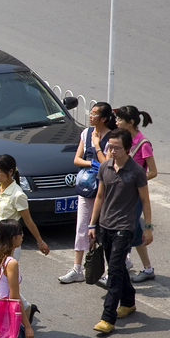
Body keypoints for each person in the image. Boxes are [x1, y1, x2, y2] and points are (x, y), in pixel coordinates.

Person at [88, 128, 153, 334]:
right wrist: (92, 224)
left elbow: (145, 200)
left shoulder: (136, 172)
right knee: (116, 267)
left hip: (125, 228)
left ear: (128, 148)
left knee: (114, 272)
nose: (112, 151)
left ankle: (108, 317)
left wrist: (148, 227)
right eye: (110, 146)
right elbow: (99, 197)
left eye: (116, 147)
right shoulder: (105, 167)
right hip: (105, 226)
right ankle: (128, 301)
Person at [60, 102, 114, 284]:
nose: (90, 116)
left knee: (104, 228)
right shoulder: (86, 133)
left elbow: (108, 163)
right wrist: (91, 164)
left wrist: (98, 146)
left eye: (94, 114)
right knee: (82, 226)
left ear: (104, 118)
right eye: (90, 113)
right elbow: (77, 159)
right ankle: (77, 268)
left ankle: (108, 270)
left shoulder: (112, 138)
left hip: (105, 187)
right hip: (87, 187)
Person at [115, 105, 158, 282]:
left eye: (120, 119)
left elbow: (153, 171)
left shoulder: (143, 143)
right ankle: (146, 267)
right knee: (134, 229)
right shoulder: (122, 140)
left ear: (130, 122)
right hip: (122, 193)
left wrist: (135, 180)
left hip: (136, 194)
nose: (116, 122)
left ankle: (121, 264)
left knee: (127, 228)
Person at [0, 154, 50, 259]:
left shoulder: (18, 195)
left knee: (10, 273)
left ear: (10, 172)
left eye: (0, 171)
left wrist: (40, 242)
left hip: (10, 243)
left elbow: (28, 221)